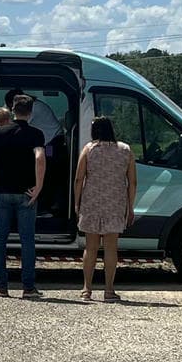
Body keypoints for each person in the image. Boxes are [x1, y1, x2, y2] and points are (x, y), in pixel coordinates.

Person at [0, 94, 46, 299]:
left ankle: (1, 286)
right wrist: (38, 186)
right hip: (25, 193)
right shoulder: (35, 134)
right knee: (27, 240)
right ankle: (28, 287)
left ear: (12, 109)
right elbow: (40, 158)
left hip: (1, 192)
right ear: (30, 112)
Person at [73, 116, 137, 301]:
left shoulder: (89, 149)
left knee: (91, 247)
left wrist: (77, 202)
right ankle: (109, 290)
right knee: (111, 248)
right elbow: (132, 182)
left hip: (92, 202)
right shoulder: (125, 150)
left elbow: (79, 178)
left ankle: (87, 289)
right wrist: (130, 206)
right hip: (115, 203)